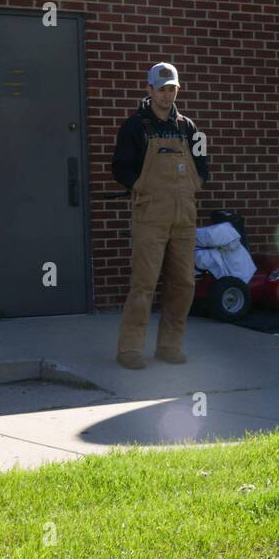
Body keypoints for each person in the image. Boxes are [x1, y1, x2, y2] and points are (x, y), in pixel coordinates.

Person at [111, 62, 210, 369]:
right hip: (150, 215)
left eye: (173, 89)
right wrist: (140, 185)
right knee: (145, 283)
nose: (168, 95)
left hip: (184, 215)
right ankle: (130, 349)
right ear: (149, 90)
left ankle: (169, 345)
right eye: (162, 89)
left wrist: (194, 185)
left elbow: (202, 166)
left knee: (183, 283)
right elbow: (120, 168)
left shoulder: (187, 127)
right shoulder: (135, 126)